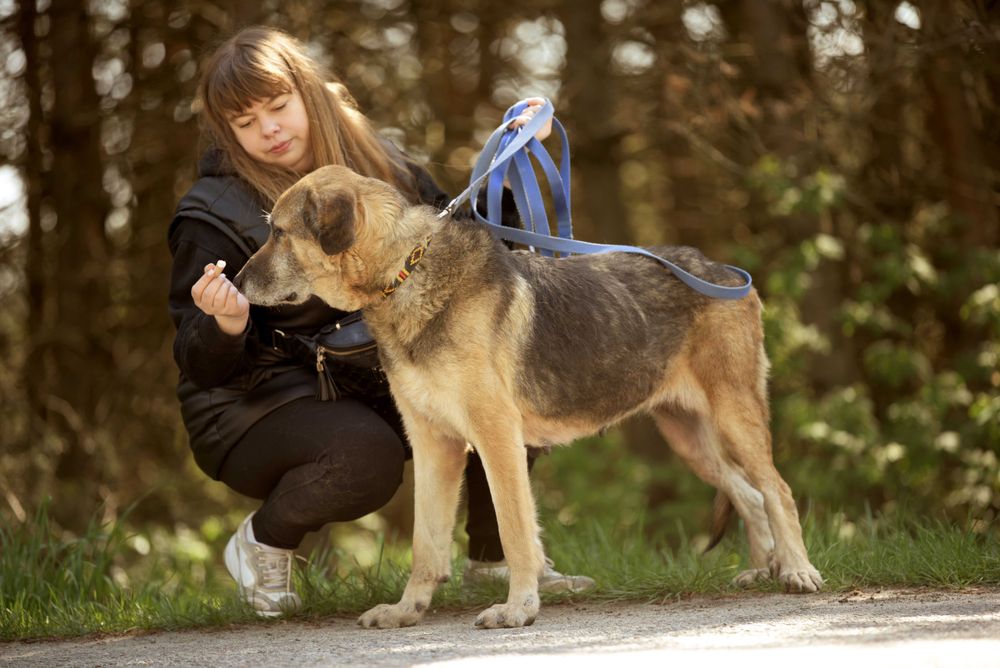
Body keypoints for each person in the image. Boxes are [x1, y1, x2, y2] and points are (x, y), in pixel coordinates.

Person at [167, 26, 594, 617]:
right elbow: (198, 363)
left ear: (309, 94)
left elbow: (461, 242)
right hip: (255, 401)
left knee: (494, 376)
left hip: (362, 376)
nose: (269, 129)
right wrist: (225, 325)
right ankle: (264, 541)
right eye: (245, 122)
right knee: (365, 457)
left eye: (279, 106)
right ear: (227, 132)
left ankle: (495, 560)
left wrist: (509, 157)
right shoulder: (211, 213)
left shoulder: (379, 164)